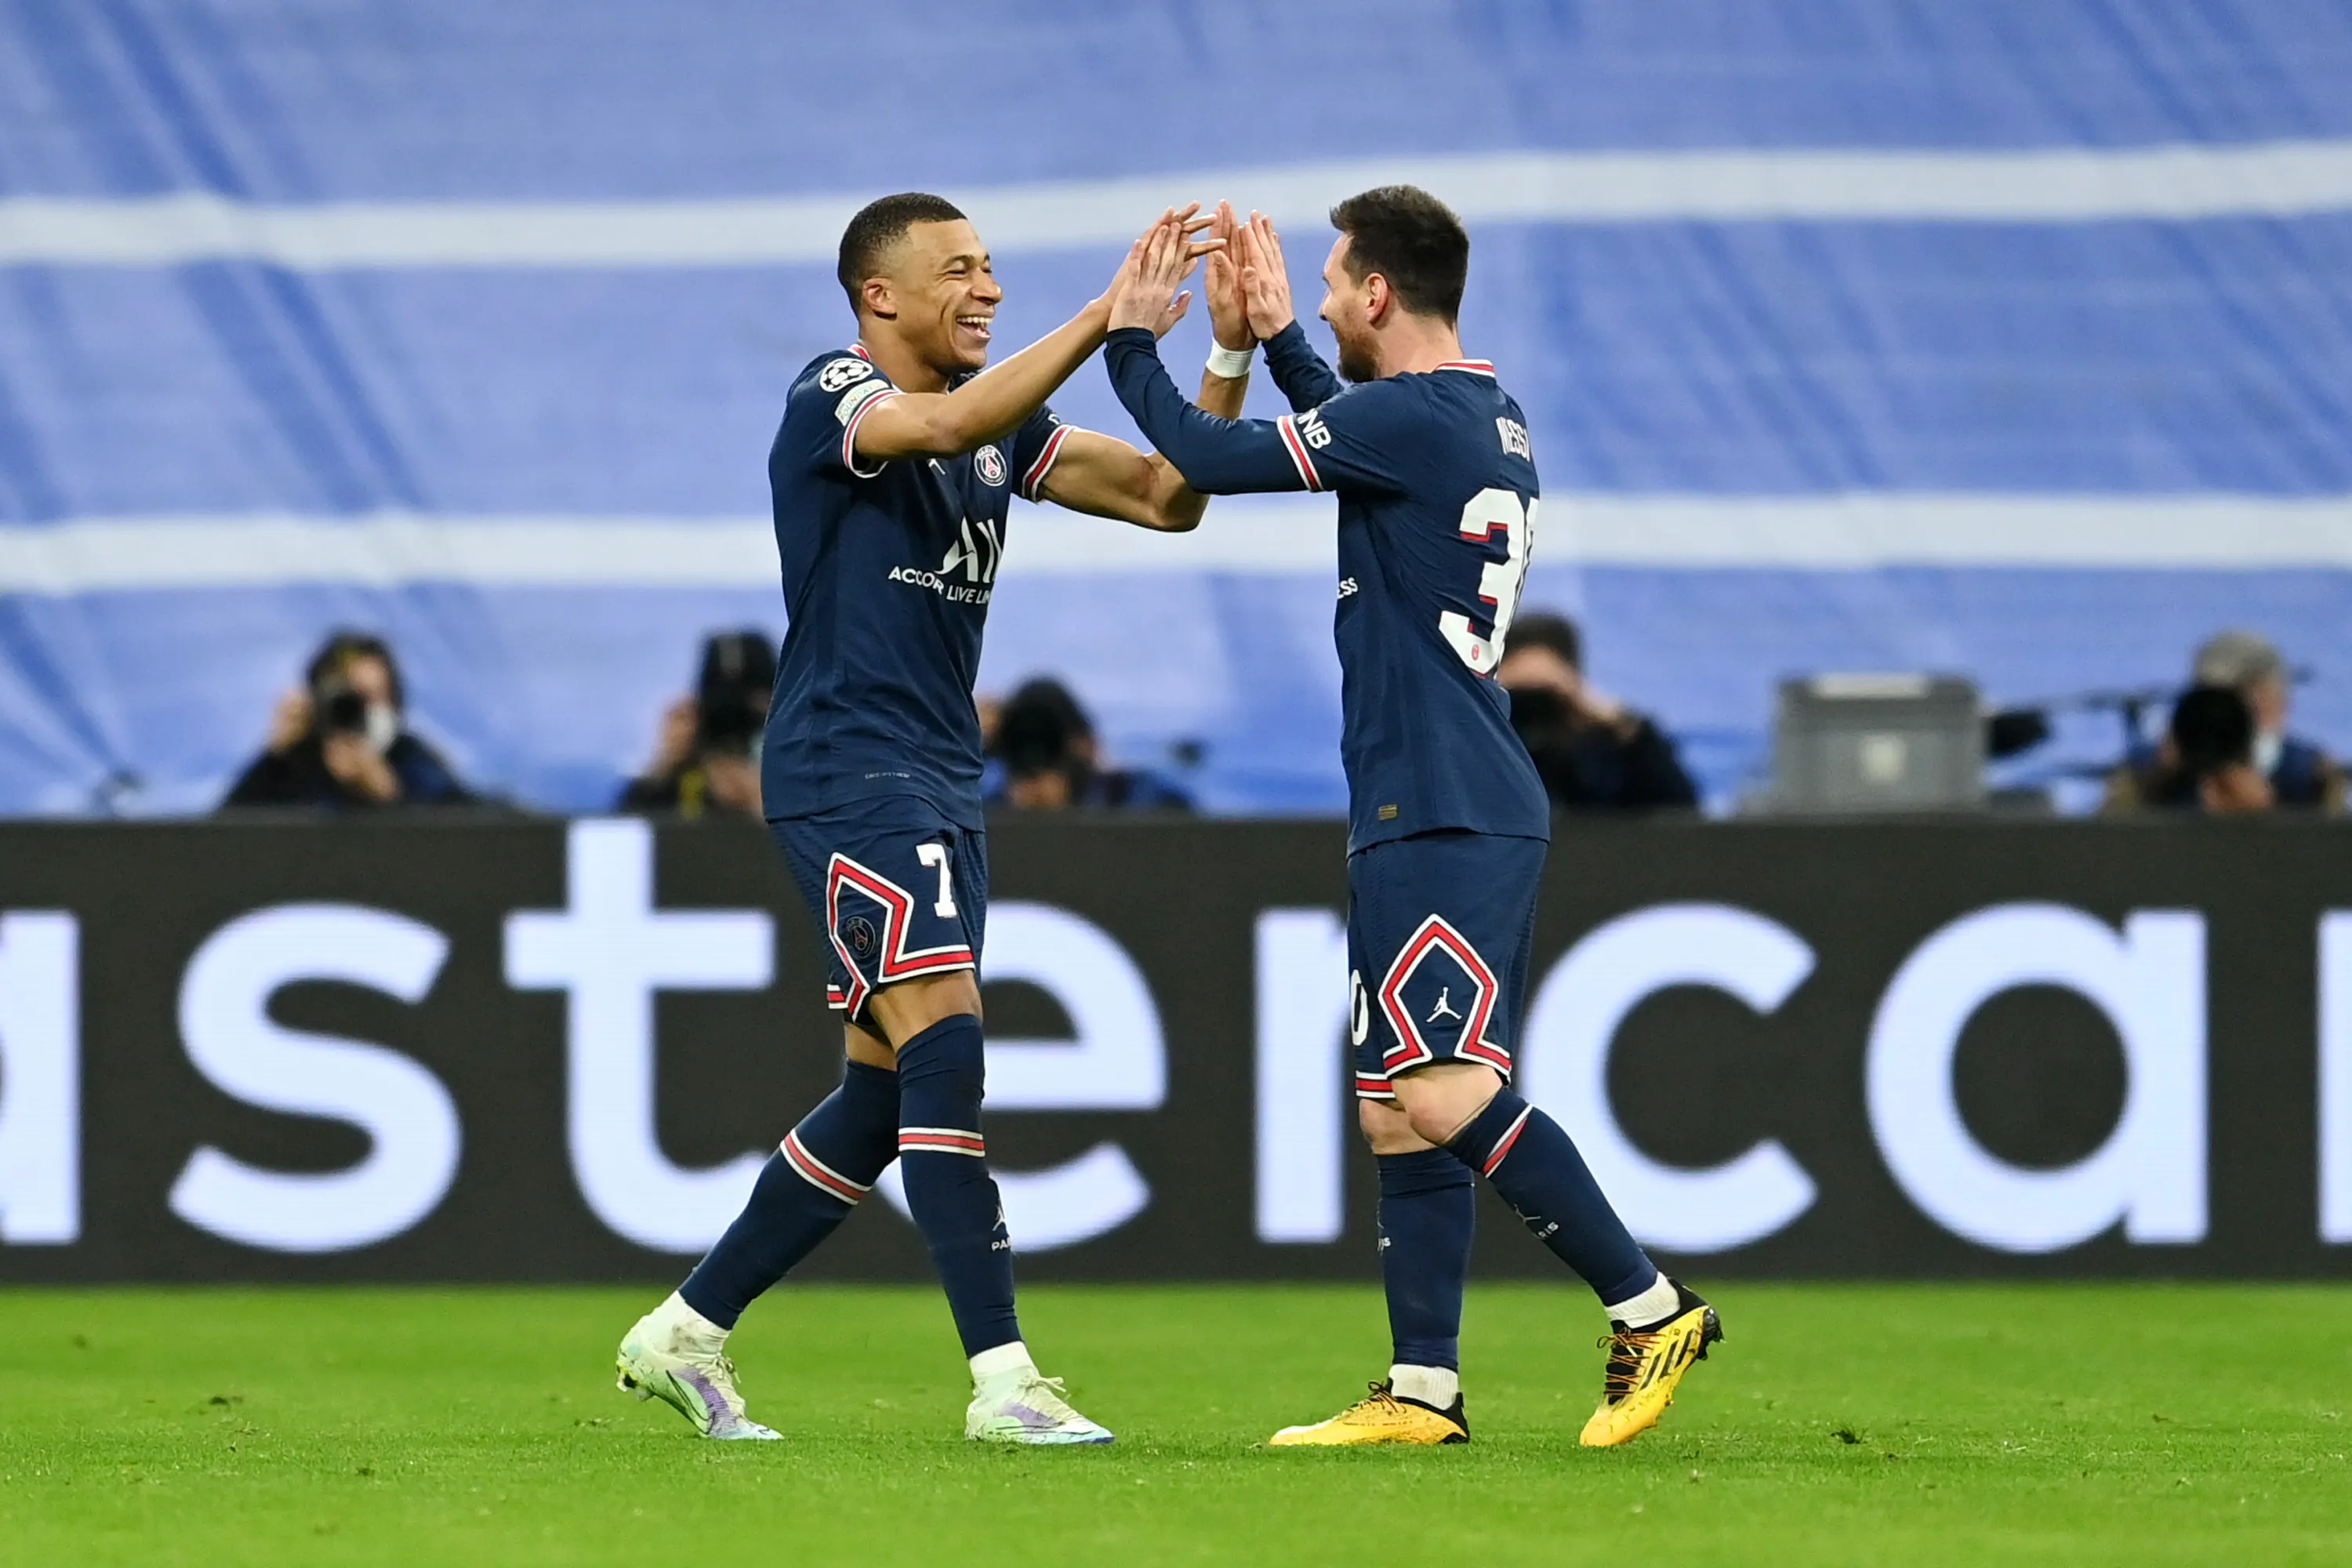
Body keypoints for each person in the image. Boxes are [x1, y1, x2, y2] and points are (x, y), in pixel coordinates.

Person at [613, 194, 1253, 1446]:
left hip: (940, 778)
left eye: (993, 268)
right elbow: (947, 424)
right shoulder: (835, 394)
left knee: (879, 1097)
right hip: (849, 768)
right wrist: (1106, 317)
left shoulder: (1002, 427)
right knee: (948, 1042)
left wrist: (1223, 352)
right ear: (881, 296)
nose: (988, 289)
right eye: (959, 269)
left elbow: (1171, 496)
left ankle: (683, 1331)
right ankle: (1004, 1382)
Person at [1102, 187, 1719, 1449]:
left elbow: (1212, 459)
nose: (1325, 301)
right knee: (1393, 1104)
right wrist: (1280, 339)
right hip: (1430, 797)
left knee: (1441, 1091)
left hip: (1444, 802)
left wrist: (1133, 339)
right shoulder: (1473, 413)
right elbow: (1349, 427)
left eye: (1336, 285)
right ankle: (1423, 1390)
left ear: (1378, 293)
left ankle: (1651, 1304)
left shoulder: (1413, 420)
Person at [220, 631, 474, 811]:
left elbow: (470, 831)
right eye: (350, 698)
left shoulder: (410, 758)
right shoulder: (290, 765)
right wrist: (274, 758)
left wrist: (391, 797)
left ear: (394, 704)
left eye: (373, 697)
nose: (358, 711)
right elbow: (222, 841)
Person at [1497, 612, 1698, 812]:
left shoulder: (1605, 745)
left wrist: (1623, 727)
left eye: (1546, 691)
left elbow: (1682, 811)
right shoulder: (1491, 737)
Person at [616, 631, 774, 820]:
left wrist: (767, 798)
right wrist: (665, 772)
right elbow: (630, 825)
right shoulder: (679, 782)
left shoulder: (788, 771)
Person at [987, 677, 1193, 811]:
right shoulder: (989, 808)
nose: (1036, 769)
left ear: (1085, 746)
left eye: (1050, 744)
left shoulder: (1139, 798)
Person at [2101, 684, 2278, 815]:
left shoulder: (2277, 784)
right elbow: (2105, 834)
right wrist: (2151, 782)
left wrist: (2264, 811)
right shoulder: (2148, 782)